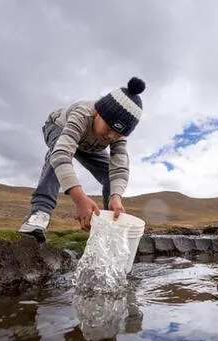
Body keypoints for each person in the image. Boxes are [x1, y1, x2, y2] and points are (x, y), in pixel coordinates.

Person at [18, 77, 145, 242]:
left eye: (118, 133)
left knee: (110, 175)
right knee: (57, 153)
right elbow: (62, 154)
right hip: (59, 128)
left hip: (87, 147)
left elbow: (119, 168)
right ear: (99, 113)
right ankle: (39, 214)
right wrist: (80, 199)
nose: (110, 136)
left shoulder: (116, 137)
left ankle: (109, 225)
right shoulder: (82, 113)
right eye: (109, 128)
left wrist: (116, 196)